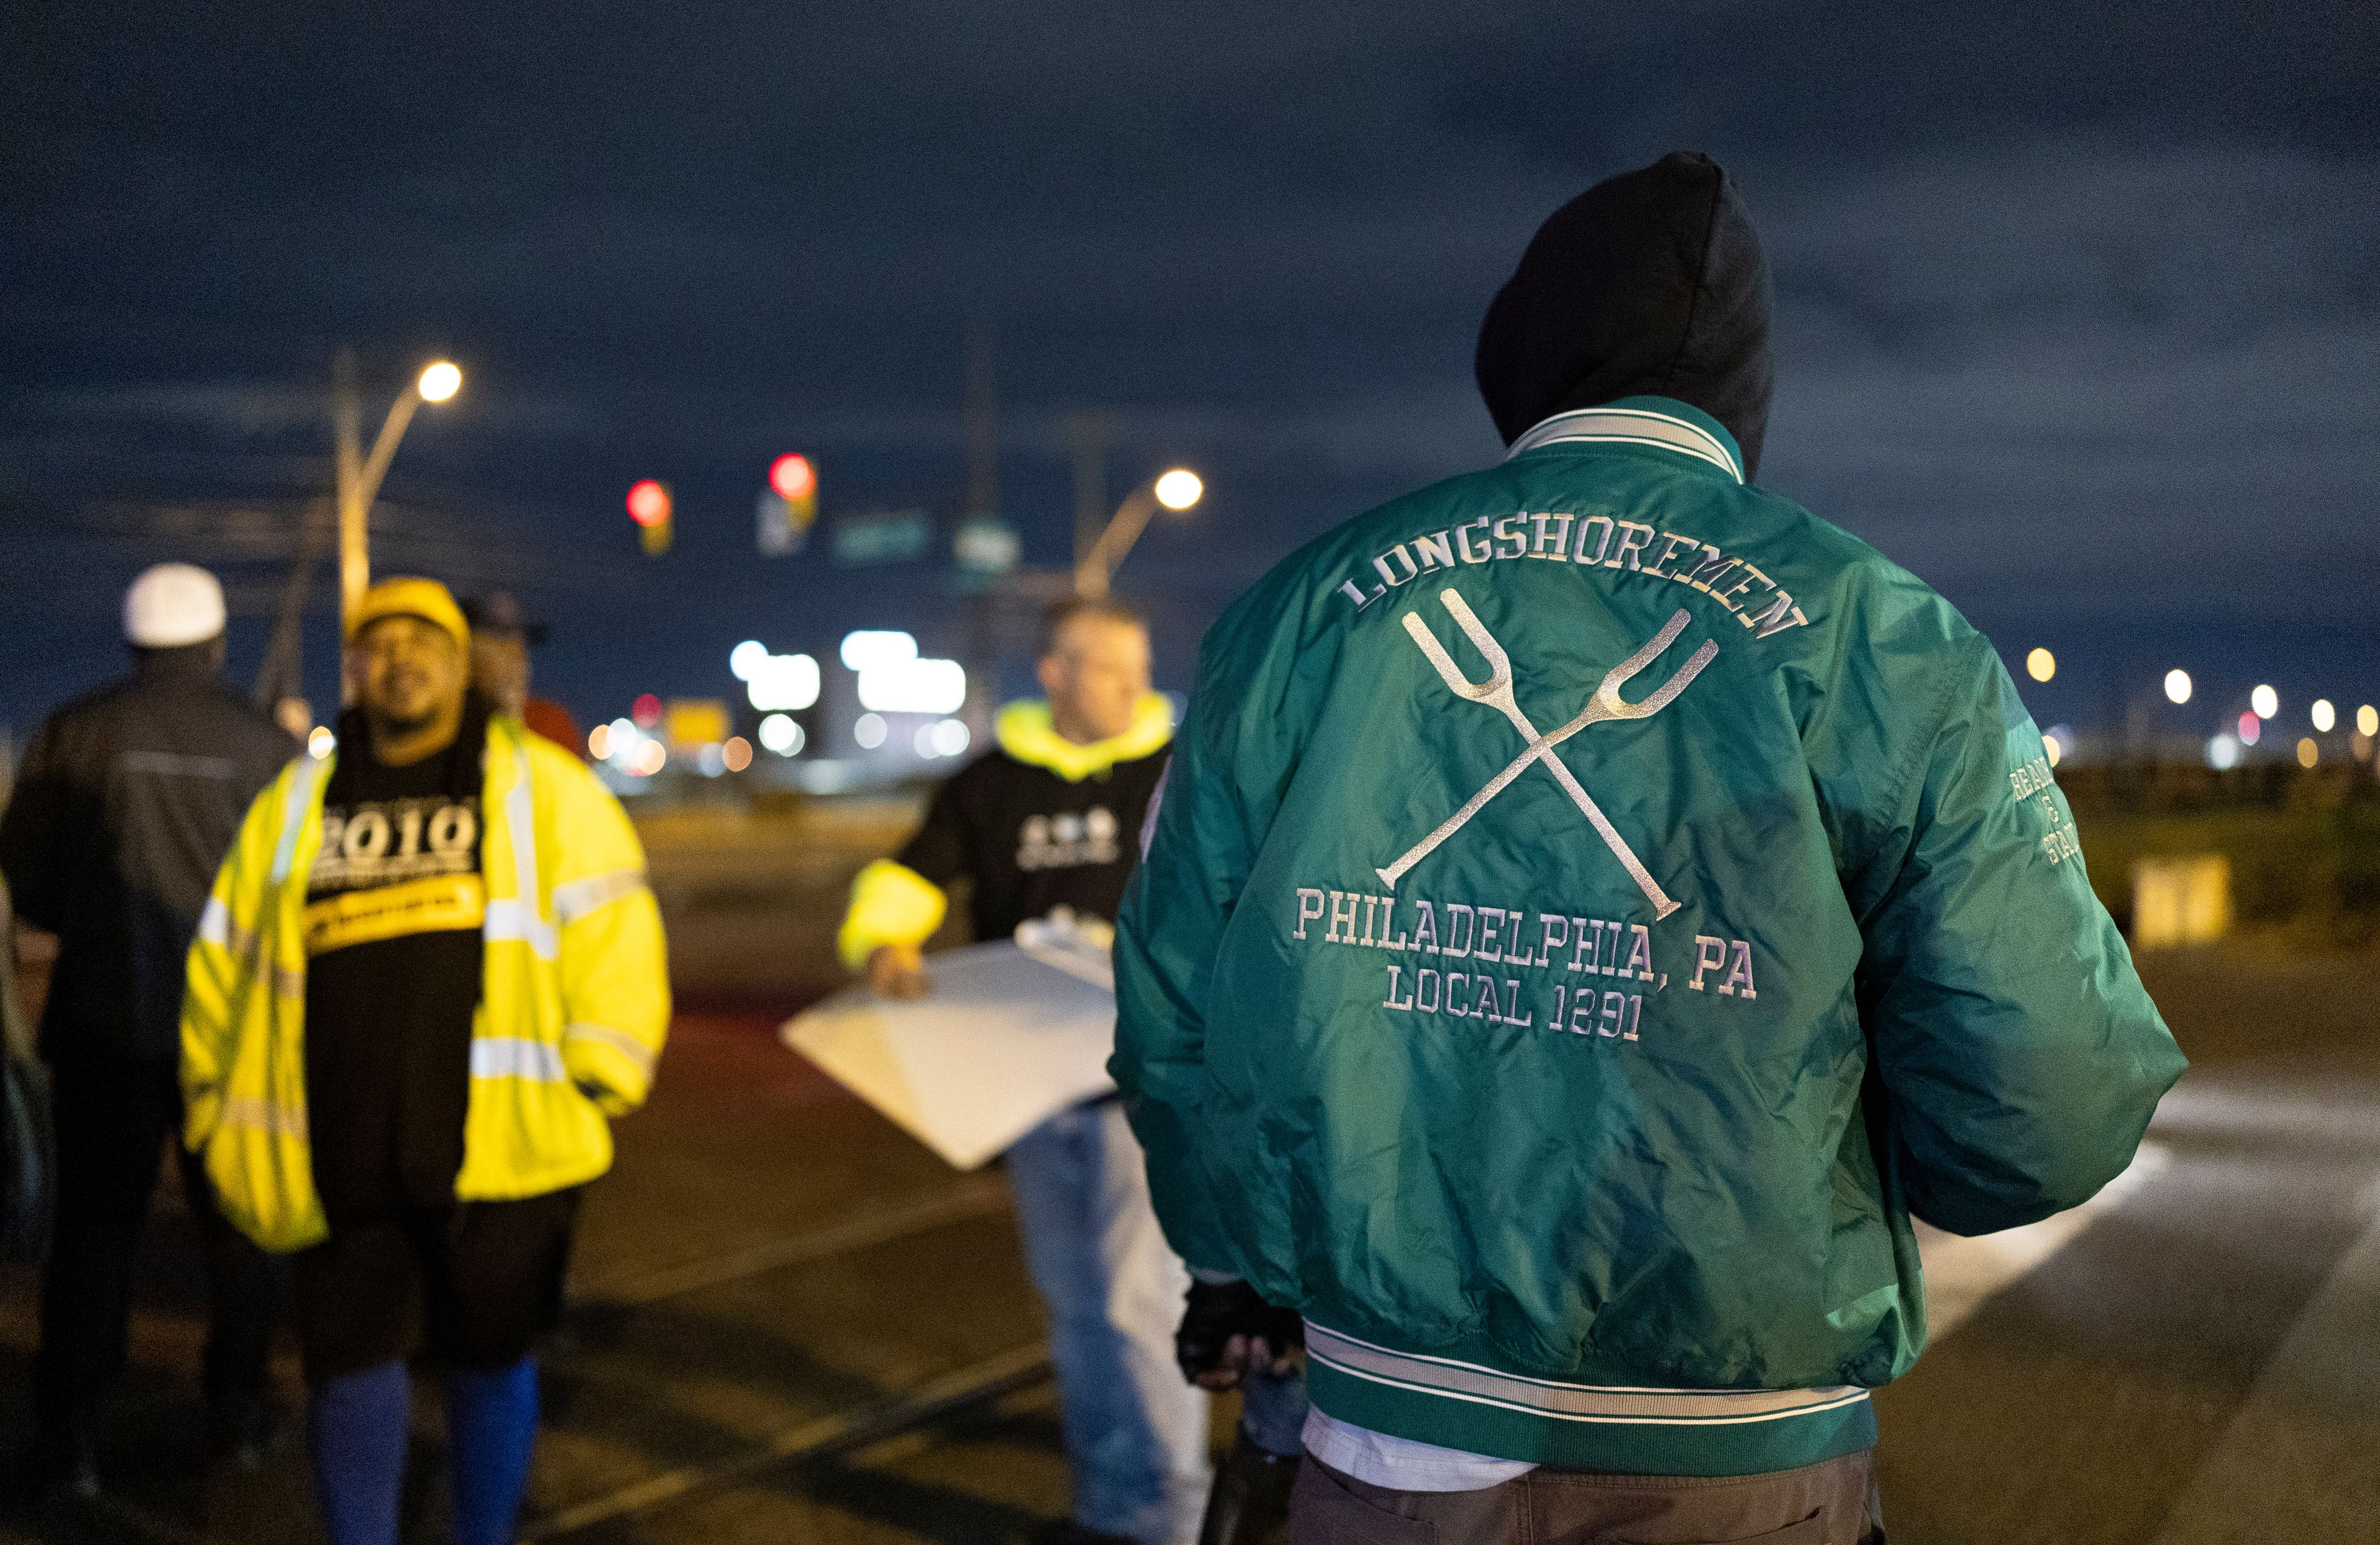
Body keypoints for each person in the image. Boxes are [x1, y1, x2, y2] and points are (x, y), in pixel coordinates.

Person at [1113, 152, 2187, 1544]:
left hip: (1385, 1438)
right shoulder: (1883, 634)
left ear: (1523, 361)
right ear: (1748, 392)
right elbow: (2049, 1092)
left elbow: (1175, 1011)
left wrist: (1255, 1251)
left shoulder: (1298, 615)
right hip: (1742, 1447)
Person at [182, 576, 669, 1545]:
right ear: (354, 671)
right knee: (348, 1372)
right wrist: (206, 1099)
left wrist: (604, 1067)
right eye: (378, 646)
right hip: (338, 1147)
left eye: (425, 643)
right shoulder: (294, 805)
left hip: (503, 1151)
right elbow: (221, 961)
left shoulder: (543, 788)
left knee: (491, 1361)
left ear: (463, 667)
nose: (400, 660)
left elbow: (614, 928)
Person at [836, 599, 1207, 1545]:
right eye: (1109, 668)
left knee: (1141, 1306)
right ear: (1053, 673)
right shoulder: (989, 785)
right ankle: (1107, 1503)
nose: (1133, 686)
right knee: (1076, 1309)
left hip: (1145, 1092)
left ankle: (1175, 1512)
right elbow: (908, 878)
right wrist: (883, 938)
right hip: (1032, 1092)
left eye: (1139, 667)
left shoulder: (1178, 768)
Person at [0, 562, 295, 1497]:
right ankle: (238, 1412)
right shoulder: (266, 747)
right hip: (235, 1035)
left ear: (134, 644)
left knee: (94, 1240)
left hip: (103, 1023)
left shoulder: (74, 733)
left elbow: (32, 883)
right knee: (242, 1234)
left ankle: (71, 1439)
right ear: (214, 644)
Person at [461, 590, 583, 757]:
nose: (518, 653)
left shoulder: (551, 724)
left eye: (520, 639)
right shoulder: (442, 727)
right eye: (500, 639)